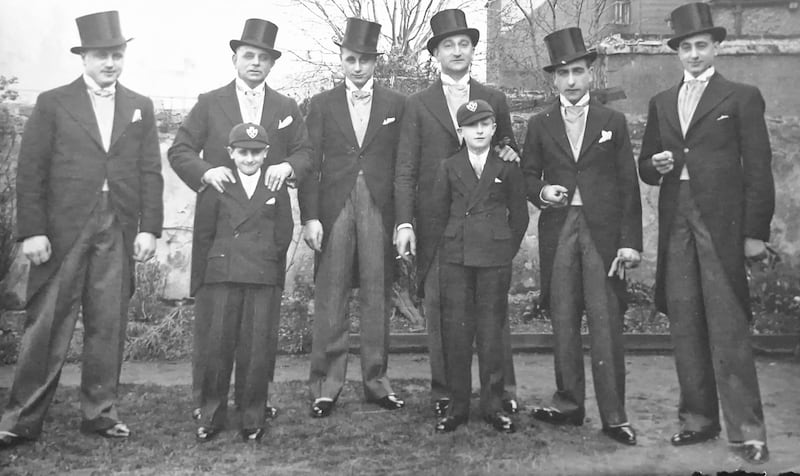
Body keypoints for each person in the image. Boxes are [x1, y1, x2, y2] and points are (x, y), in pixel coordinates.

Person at [0, 11, 163, 448]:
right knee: (47, 324)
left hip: (119, 226)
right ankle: (21, 418)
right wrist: (32, 231)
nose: (110, 63)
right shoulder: (54, 103)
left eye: (117, 54)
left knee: (108, 323)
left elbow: (151, 171)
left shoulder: (139, 106)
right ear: (84, 57)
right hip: (63, 229)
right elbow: (30, 170)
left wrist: (150, 228)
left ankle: (101, 414)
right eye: (101, 55)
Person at [638, 2, 774, 464]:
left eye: (701, 46)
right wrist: (654, 167)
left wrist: (754, 232)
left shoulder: (741, 97)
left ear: (716, 47)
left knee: (729, 324)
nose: (694, 55)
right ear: (677, 52)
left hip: (721, 224)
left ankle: (748, 431)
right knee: (686, 321)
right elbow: (648, 164)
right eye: (686, 48)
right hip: (677, 218)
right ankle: (697, 420)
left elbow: (758, 169)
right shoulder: (661, 102)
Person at [168, 18, 312, 422]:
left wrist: (286, 167)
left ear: (271, 64)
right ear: (235, 59)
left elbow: (305, 152)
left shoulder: (286, 108)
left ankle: (255, 403)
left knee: (258, 332)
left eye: (263, 58)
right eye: (248, 55)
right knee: (216, 330)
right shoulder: (210, 102)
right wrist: (205, 172)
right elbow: (180, 150)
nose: (255, 63)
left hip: (265, 230)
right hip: (222, 232)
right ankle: (209, 406)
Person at [394, 8, 520, 417]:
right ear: (436, 53)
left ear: (472, 50)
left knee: (491, 313)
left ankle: (501, 393)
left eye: (464, 44)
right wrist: (406, 221)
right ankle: (447, 393)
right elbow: (406, 168)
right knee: (444, 313)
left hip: (484, 225)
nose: (457, 51)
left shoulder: (495, 99)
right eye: (448, 45)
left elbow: (509, 153)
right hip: (437, 225)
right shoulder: (417, 104)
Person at [521, 27, 642, 446]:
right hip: (559, 228)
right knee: (564, 317)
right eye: (563, 74)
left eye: (577, 71)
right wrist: (541, 191)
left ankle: (614, 415)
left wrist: (630, 242)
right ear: (553, 79)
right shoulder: (540, 124)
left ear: (590, 73)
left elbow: (628, 186)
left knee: (606, 320)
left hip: (602, 234)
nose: (571, 81)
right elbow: (526, 176)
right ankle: (569, 404)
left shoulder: (613, 122)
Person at [299, 18, 406, 418]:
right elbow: (310, 164)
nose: (357, 67)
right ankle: (326, 386)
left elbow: (403, 165)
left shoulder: (397, 103)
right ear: (341, 59)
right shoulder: (322, 104)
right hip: (335, 206)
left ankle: (377, 383)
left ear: (375, 62)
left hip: (378, 204)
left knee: (377, 293)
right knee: (332, 292)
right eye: (350, 59)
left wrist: (402, 219)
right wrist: (311, 216)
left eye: (364, 60)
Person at [431, 100, 528, 434]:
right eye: (472, 125)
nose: (480, 130)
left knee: (491, 333)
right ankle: (457, 406)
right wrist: (449, 250)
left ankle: (493, 405)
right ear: (461, 131)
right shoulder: (448, 166)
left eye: (486, 124)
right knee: (456, 333)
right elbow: (437, 214)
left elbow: (520, 215)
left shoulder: (507, 167)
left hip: (494, 259)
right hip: (457, 259)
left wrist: (504, 249)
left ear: (495, 129)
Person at [192, 123, 290, 442]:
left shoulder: (275, 185)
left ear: (266, 154)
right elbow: (203, 233)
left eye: (256, 153)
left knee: (256, 347)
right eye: (243, 152)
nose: (249, 159)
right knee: (217, 345)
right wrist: (203, 278)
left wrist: (271, 265)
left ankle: (252, 415)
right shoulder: (217, 184)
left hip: (261, 275)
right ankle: (211, 415)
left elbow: (283, 232)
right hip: (223, 274)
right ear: (231, 153)